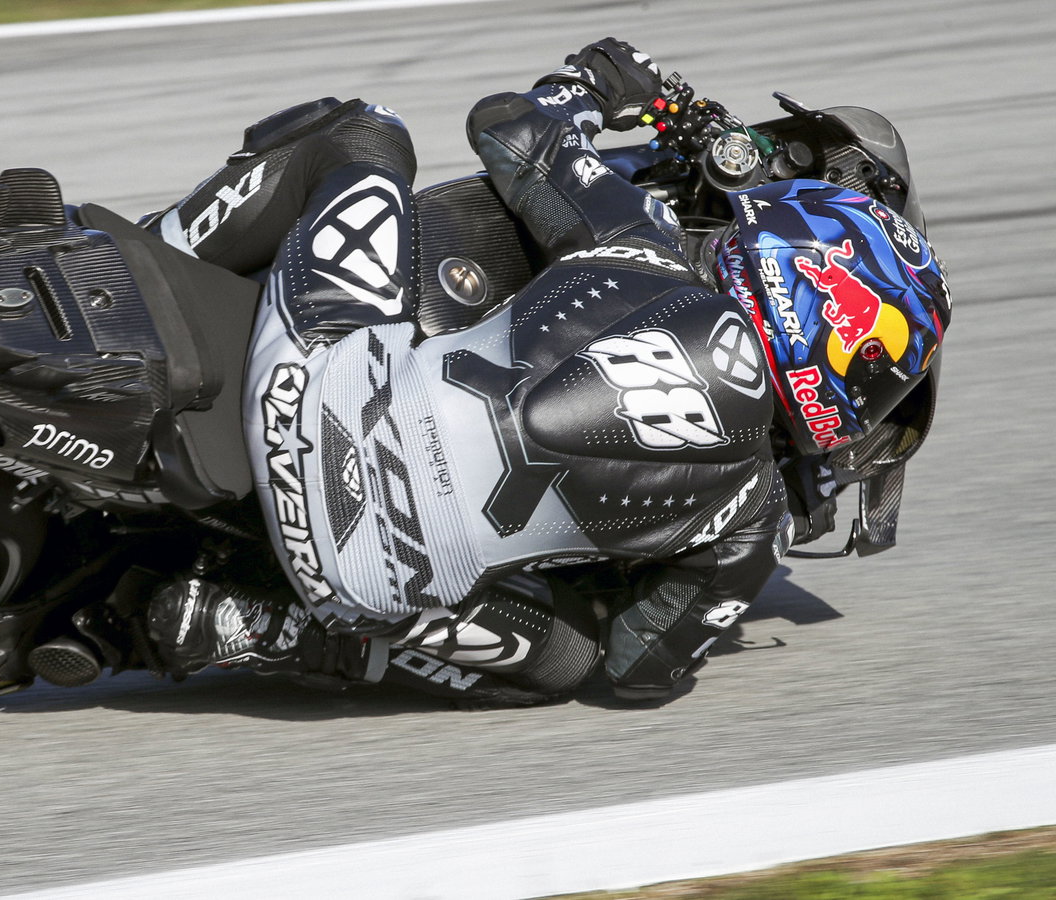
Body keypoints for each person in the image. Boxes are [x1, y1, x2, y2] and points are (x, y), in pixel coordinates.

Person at [130, 38, 951, 704]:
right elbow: (640, 672)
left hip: (303, 385)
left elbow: (509, 125)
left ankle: (145, 257)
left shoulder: (644, 246)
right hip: (359, 585)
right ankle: (256, 624)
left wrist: (592, 84)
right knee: (573, 659)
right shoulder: (754, 523)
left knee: (360, 132)